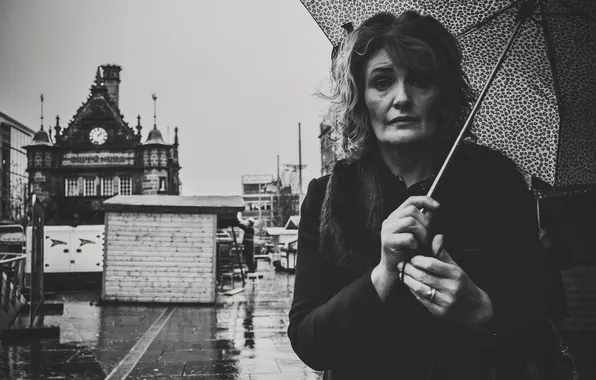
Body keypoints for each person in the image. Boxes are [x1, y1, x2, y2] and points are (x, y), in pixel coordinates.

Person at [287, 11, 546, 380]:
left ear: (443, 94)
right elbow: (309, 343)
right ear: (362, 98)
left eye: (421, 80)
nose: (402, 98)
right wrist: (382, 274)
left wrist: (481, 309)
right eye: (382, 82)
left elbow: (541, 323)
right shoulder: (329, 196)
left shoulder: (497, 184)